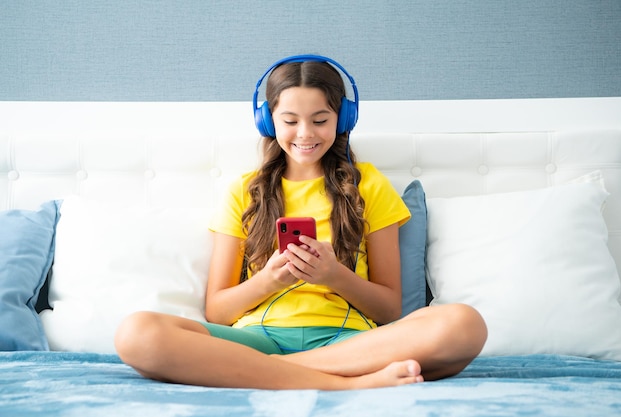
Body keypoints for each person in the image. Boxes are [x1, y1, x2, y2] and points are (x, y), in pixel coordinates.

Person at [115, 55, 487, 390]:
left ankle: (269, 371)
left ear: (342, 119)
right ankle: (351, 385)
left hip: (349, 342)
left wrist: (333, 275)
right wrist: (270, 279)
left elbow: (390, 310)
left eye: (320, 120)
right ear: (268, 120)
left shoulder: (368, 184)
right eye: (290, 121)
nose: (306, 134)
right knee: (136, 333)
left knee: (464, 324)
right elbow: (217, 310)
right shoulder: (243, 191)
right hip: (257, 337)